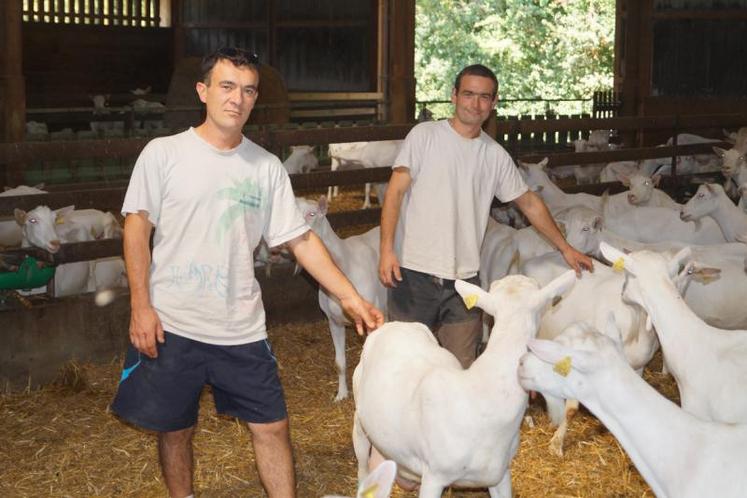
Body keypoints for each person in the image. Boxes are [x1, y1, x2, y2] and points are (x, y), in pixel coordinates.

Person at [110, 47, 383, 498]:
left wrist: (351, 297)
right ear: (203, 91)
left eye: (248, 90)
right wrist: (141, 305)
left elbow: (300, 239)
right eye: (227, 86)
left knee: (272, 425)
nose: (237, 99)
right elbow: (137, 228)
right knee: (175, 429)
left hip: (240, 326)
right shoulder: (163, 154)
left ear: (255, 99)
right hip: (173, 321)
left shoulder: (266, 167)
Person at [378, 64, 592, 369]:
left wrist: (566, 248)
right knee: (403, 362)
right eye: (468, 94)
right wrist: (386, 250)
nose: (475, 104)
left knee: (463, 366)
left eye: (483, 97)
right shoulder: (424, 136)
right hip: (414, 272)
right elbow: (395, 192)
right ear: (453, 96)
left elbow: (530, 203)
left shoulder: (495, 156)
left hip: (465, 280)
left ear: (493, 103)